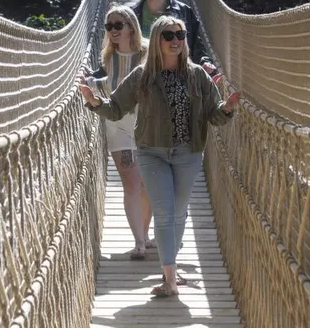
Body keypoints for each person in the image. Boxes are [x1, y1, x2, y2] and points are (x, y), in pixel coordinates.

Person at [78, 16, 241, 298]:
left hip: (188, 153)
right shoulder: (142, 76)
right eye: (168, 35)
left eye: (180, 34)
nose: (175, 40)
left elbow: (214, 116)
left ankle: (171, 269)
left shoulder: (197, 75)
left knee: (178, 213)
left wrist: (226, 108)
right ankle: (169, 278)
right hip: (152, 152)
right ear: (156, 40)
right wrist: (94, 102)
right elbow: (116, 108)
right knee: (165, 213)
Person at [84, 5, 154, 259]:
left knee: (147, 184)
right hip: (117, 125)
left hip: (147, 124)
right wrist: (87, 84)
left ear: (131, 27)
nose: (113, 31)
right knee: (132, 182)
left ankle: (145, 235)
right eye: (109, 26)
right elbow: (99, 82)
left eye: (117, 25)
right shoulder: (106, 58)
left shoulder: (149, 53)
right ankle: (138, 241)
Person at [132, 0, 220, 80]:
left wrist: (204, 62)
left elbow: (195, 46)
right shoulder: (133, 14)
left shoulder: (183, 12)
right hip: (143, 78)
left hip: (178, 78)